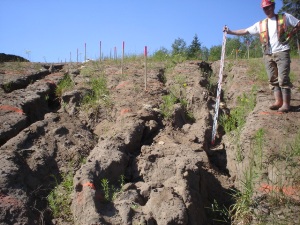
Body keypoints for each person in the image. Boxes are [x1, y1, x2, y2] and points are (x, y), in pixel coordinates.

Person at [224, 0, 300, 112]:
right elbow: (245, 31)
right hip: (268, 54)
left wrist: (292, 33)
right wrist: (230, 32)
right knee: (272, 79)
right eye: (264, 8)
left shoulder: (284, 17)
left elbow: (298, 24)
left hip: (282, 51)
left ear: (273, 6)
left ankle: (286, 104)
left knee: (283, 78)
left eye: (268, 7)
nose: (267, 10)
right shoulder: (261, 24)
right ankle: (278, 101)